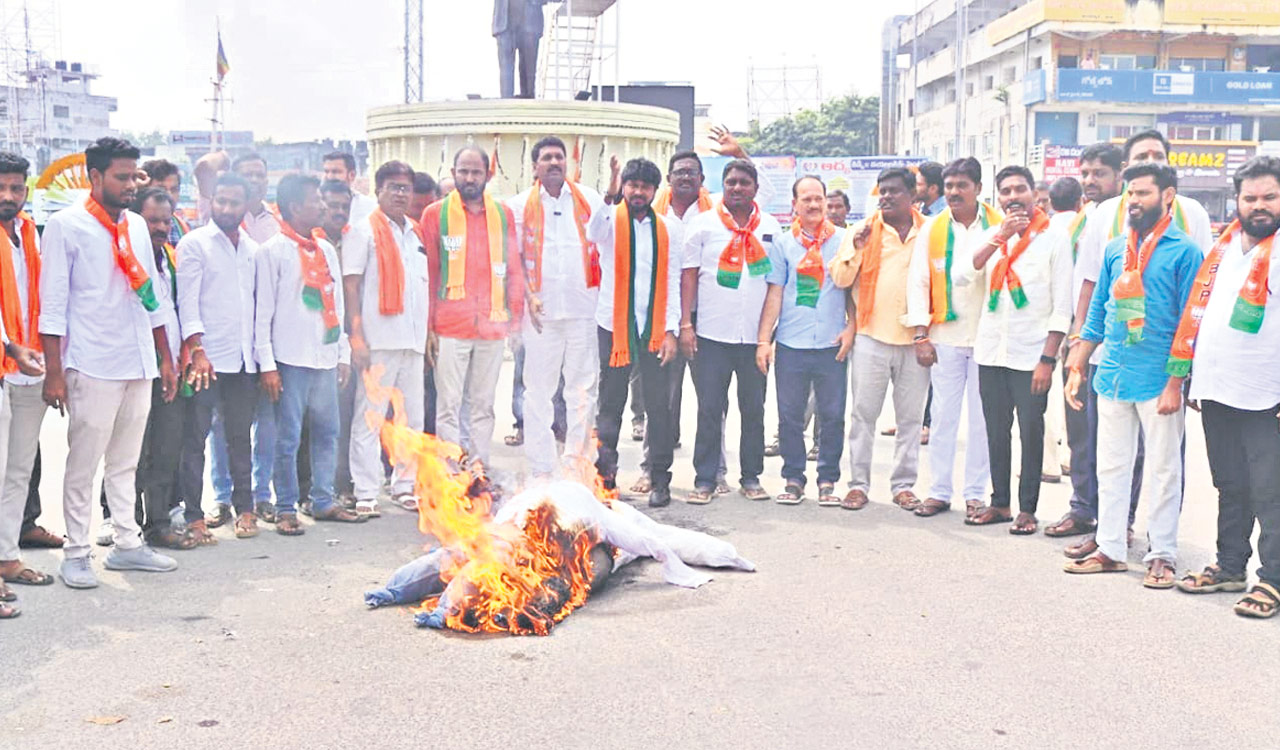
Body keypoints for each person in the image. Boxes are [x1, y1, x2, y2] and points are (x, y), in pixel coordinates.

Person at [1061, 130, 1213, 558]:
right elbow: (1097, 311)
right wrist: (1078, 361)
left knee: (1164, 471)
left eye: (1143, 194)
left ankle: (1161, 554)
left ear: (1167, 196)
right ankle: (1109, 548)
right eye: (1131, 194)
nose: (1134, 202)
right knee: (1111, 466)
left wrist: (1175, 384)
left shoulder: (1184, 252)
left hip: (1158, 379)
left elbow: (1190, 321)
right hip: (1111, 374)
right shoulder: (1115, 249)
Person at [40, 137, 179, 588]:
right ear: (95, 177)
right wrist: (55, 373)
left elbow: (151, 295)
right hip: (93, 362)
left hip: (138, 361)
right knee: (84, 463)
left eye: (133, 176)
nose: (129, 185)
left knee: (126, 461)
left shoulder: (136, 225)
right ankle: (77, 553)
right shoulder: (66, 226)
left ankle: (127, 545)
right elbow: (53, 304)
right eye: (121, 177)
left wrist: (166, 357)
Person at [1171, 156, 1280, 618]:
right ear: (1237, 200)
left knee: (1270, 490)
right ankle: (1231, 565)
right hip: (1218, 389)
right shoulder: (1224, 246)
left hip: (1268, 394)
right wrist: (1196, 378)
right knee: (1230, 484)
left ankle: (1273, 580)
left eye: (1269, 197)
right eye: (1250, 197)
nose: (1259, 206)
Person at [957, 165, 1071, 535]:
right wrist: (997, 238)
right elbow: (962, 274)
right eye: (1005, 192)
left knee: (1031, 430)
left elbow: (1062, 306)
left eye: (1019, 189)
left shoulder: (1054, 238)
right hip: (991, 350)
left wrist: (1047, 359)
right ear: (998, 198)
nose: (1012, 197)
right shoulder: (993, 235)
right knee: (995, 430)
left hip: (1031, 353)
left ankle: (1029, 509)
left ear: (1035, 194)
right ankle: (1001, 502)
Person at [255, 173, 364, 534]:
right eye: (315, 200)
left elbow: (336, 305)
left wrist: (343, 354)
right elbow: (263, 314)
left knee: (327, 432)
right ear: (294, 207)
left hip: (324, 358)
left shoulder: (327, 250)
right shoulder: (273, 251)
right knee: (287, 437)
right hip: (289, 361)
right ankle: (285, 507)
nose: (322, 205)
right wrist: (268, 366)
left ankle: (322, 501)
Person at [829, 167, 928, 511]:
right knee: (863, 415)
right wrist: (855, 249)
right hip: (871, 336)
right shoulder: (863, 231)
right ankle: (857, 485)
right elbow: (840, 279)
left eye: (894, 191)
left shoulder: (929, 233)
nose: (885, 197)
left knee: (911, 419)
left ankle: (903, 485)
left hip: (916, 340)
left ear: (912, 195)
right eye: (881, 191)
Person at [680, 159, 779, 503]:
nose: (737, 188)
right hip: (711, 335)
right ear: (723, 186)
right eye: (731, 182)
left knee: (753, 409)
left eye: (744, 183)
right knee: (710, 408)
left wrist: (769, 338)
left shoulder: (770, 227)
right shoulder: (703, 225)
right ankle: (705, 479)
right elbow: (689, 276)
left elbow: (775, 284)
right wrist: (685, 324)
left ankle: (751, 477)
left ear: (754, 188)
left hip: (755, 338)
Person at [905, 157, 997, 518]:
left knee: (982, 420)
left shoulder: (999, 226)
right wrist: (920, 334)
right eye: (949, 186)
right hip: (945, 336)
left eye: (962, 185)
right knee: (943, 417)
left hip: (988, 339)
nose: (955, 192)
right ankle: (939, 491)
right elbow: (919, 281)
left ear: (978, 188)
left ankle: (976, 493)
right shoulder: (933, 228)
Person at [589, 156, 682, 507]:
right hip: (614, 329)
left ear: (655, 191)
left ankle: (660, 480)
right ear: (624, 186)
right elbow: (591, 232)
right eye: (632, 185)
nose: (638, 192)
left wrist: (671, 330)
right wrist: (610, 192)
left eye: (645, 186)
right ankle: (605, 480)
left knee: (659, 408)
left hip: (655, 330)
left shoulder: (670, 228)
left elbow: (672, 281)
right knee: (610, 407)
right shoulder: (610, 220)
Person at [422, 147, 524, 467]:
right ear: (453, 173)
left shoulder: (503, 215)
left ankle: (479, 467)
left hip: (492, 325)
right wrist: (428, 327)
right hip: (451, 325)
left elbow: (514, 267)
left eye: (476, 172)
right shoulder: (435, 214)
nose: (469, 178)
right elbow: (430, 273)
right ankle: (452, 472)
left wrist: (515, 320)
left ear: (487, 175)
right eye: (463, 171)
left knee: (483, 405)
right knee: (448, 405)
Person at [1047, 143, 1127, 541]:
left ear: (1120, 174)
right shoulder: (1081, 220)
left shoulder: (1132, 216)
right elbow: (1079, 281)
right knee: (1080, 432)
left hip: (1120, 343)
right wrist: (1073, 338)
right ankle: (1082, 509)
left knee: (1120, 442)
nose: (1090, 180)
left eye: (1099, 173)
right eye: (1086, 173)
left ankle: (1119, 521)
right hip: (1081, 338)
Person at [176, 172, 262, 541]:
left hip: (242, 361)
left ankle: (246, 510)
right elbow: (187, 303)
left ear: (247, 203)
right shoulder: (195, 244)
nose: (227, 208)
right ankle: (194, 517)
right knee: (194, 440)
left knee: (240, 439)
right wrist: (196, 350)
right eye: (221, 201)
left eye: (234, 202)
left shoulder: (253, 250)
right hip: (204, 362)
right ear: (211, 201)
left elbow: (257, 308)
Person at [508, 136, 600, 476]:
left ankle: (577, 465)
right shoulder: (519, 205)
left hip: (582, 310)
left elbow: (604, 244)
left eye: (558, 157)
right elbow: (513, 257)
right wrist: (526, 294)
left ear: (567, 163)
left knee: (582, 391)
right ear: (535, 166)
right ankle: (542, 468)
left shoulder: (588, 199)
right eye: (546, 157)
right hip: (540, 315)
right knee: (538, 392)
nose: (553, 162)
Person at [757, 176, 852, 505]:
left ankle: (827, 480)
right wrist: (763, 341)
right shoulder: (784, 244)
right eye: (806, 199)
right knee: (790, 416)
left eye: (818, 199)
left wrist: (851, 327)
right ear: (794, 205)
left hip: (831, 343)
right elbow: (775, 293)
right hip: (791, 343)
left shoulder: (844, 240)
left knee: (833, 415)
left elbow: (851, 288)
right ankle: (793, 478)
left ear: (826, 202)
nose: (813, 205)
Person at [344, 160, 429, 516]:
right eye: (393, 187)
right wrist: (357, 337)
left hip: (412, 341)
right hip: (378, 340)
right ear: (377, 191)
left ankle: (404, 485)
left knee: (412, 420)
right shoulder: (362, 231)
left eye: (405, 187)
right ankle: (365, 490)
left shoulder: (416, 232)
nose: (400, 193)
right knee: (370, 417)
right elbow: (351, 285)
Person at [126, 188, 195, 550]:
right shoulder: (126, 259)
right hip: (136, 368)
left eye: (166, 221)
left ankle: (158, 524)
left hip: (172, 369)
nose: (160, 227)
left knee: (167, 448)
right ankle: (126, 526)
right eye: (153, 221)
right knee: (133, 452)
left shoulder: (171, 258)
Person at [0, 151, 55, 600]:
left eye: (16, 187)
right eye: (1, 187)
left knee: (18, 469)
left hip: (28, 367)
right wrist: (9, 347)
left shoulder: (29, 233)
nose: (8, 196)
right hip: (5, 362)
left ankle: (7, 557)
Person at [1040, 177, 1085, 484]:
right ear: (1080, 201)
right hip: (1080, 320)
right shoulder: (1090, 225)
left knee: (1046, 391)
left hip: (1051, 318)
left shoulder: (1046, 231)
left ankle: (1048, 463)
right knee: (1075, 388)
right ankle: (1071, 457)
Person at [319, 178, 357, 501]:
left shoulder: (356, 240)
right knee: (309, 425)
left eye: (345, 207)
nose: (339, 212)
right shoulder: (309, 244)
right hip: (312, 347)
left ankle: (342, 485)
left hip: (346, 344)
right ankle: (310, 490)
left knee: (342, 420)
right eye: (332, 206)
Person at [493, 0, 549, 98]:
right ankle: (506, 104)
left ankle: (528, 103)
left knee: (529, 78)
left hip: (530, 23)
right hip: (504, 24)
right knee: (506, 78)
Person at [139, 159, 190, 239]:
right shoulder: (132, 224)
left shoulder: (181, 226)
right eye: (161, 190)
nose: (169, 195)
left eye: (174, 190)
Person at [323, 151, 377, 226]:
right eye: (326, 171)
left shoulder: (369, 208)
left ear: (352, 175)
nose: (329, 176)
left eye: (336, 172)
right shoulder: (313, 204)